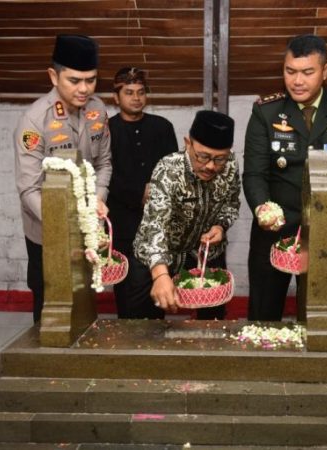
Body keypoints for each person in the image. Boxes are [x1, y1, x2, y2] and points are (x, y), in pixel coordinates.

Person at [243, 34, 327, 321]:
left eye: (307, 72)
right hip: (273, 229)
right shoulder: (266, 112)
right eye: (290, 71)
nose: (297, 81)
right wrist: (262, 207)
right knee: (264, 316)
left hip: (323, 228)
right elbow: (254, 173)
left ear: (325, 71)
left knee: (316, 317)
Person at [14, 34, 112, 323]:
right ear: (53, 76)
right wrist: (64, 226)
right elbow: (29, 189)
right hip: (48, 229)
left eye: (91, 80)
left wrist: (97, 200)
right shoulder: (35, 120)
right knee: (51, 306)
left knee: (83, 300)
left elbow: (104, 163)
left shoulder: (98, 110)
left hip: (87, 228)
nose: (84, 89)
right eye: (74, 80)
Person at [129, 110, 240, 319]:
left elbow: (231, 204)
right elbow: (155, 225)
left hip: (203, 254)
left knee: (213, 322)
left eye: (219, 159)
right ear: (188, 143)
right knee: (143, 325)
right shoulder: (168, 169)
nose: (210, 166)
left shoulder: (230, 165)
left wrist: (220, 226)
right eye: (203, 156)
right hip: (157, 254)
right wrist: (160, 275)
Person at [107, 67, 178, 318]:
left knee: (156, 284)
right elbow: (104, 173)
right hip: (123, 223)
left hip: (158, 221)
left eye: (140, 92)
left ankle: (156, 336)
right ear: (116, 97)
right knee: (127, 290)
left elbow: (173, 169)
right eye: (129, 92)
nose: (136, 98)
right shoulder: (106, 130)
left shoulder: (162, 127)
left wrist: (156, 189)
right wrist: (139, 192)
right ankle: (127, 337)